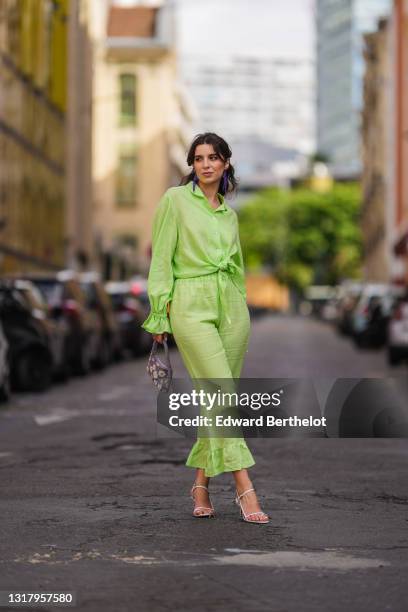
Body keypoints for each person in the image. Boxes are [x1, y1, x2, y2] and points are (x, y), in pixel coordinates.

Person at [142, 132, 269, 524]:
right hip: (190, 304)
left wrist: (240, 305)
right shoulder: (175, 200)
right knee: (221, 394)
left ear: (226, 163)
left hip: (230, 306)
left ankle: (200, 485)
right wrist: (159, 315)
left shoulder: (229, 214)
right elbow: (161, 259)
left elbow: (238, 267)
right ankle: (244, 487)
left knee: (217, 399)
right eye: (198, 159)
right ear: (192, 165)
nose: (206, 164)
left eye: (214, 158)